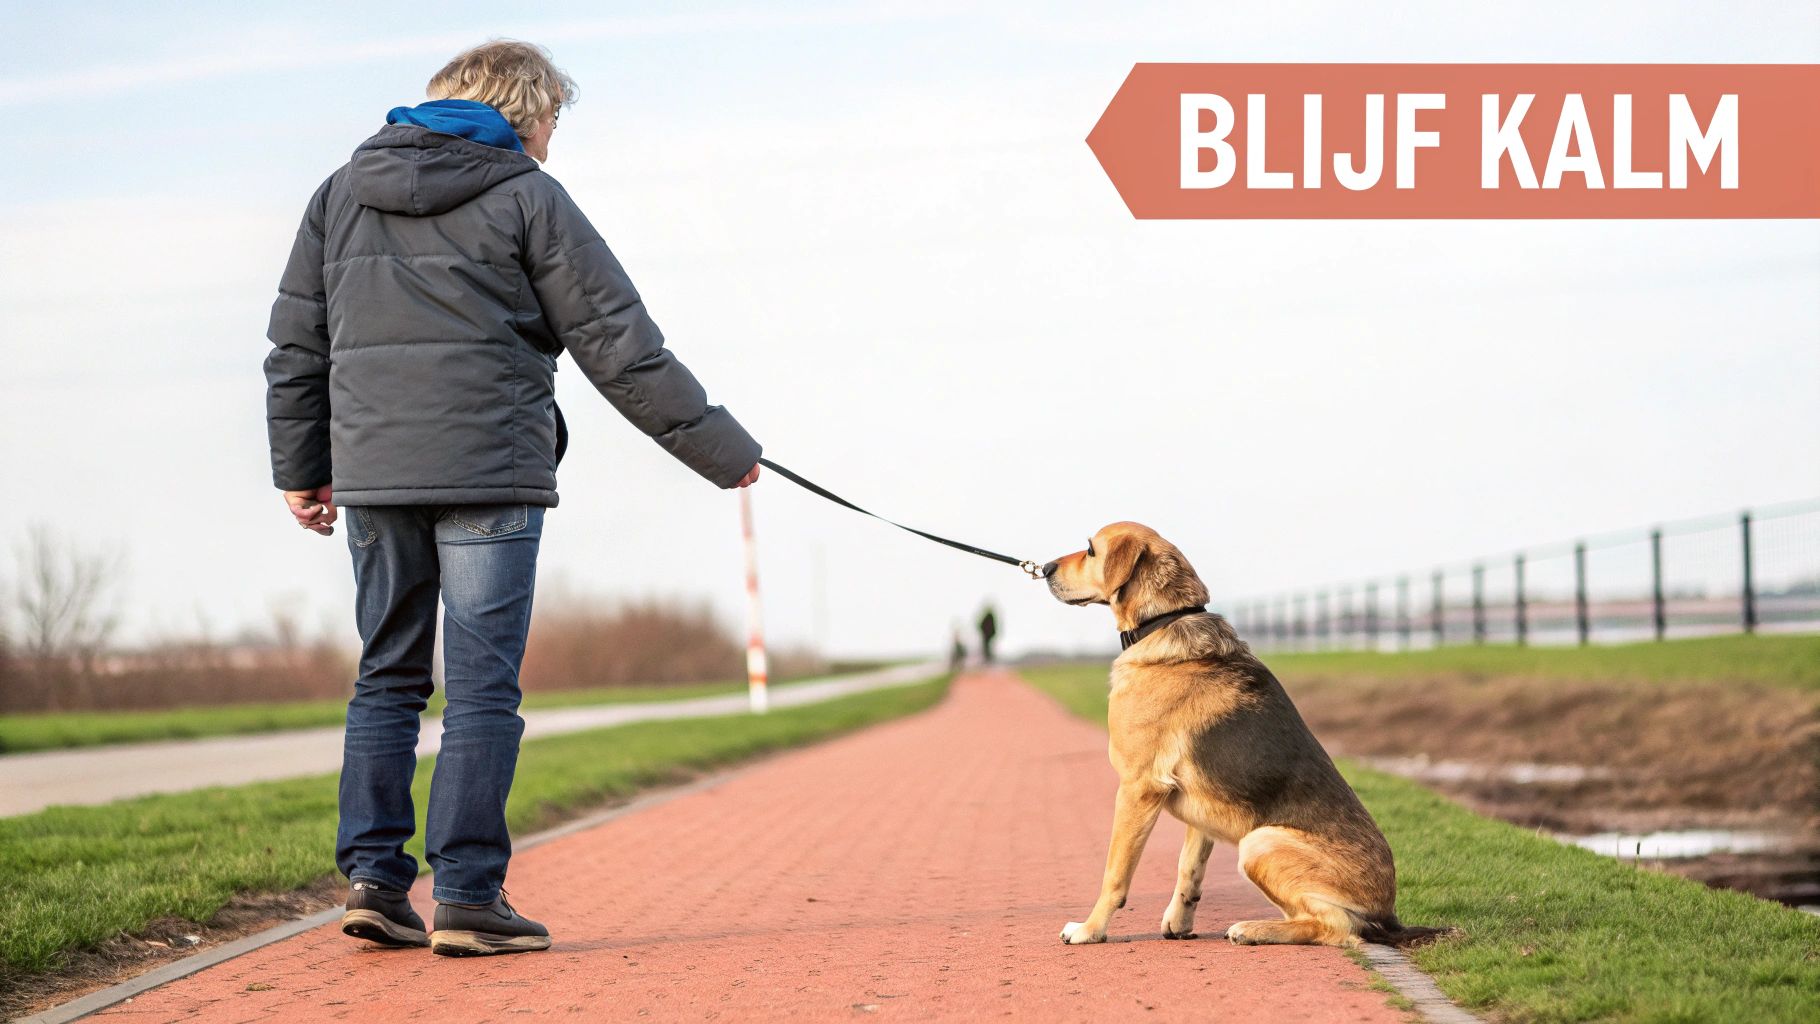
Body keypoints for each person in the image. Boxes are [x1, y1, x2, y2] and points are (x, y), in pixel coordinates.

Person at [263, 39, 761, 958]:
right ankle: (466, 896)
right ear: (525, 113)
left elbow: (298, 345)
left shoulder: (339, 192)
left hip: (375, 475)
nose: (550, 142)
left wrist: (301, 466)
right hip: (490, 469)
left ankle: (375, 882)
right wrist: (719, 450)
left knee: (387, 675)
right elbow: (620, 344)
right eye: (552, 124)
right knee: (482, 685)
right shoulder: (528, 193)